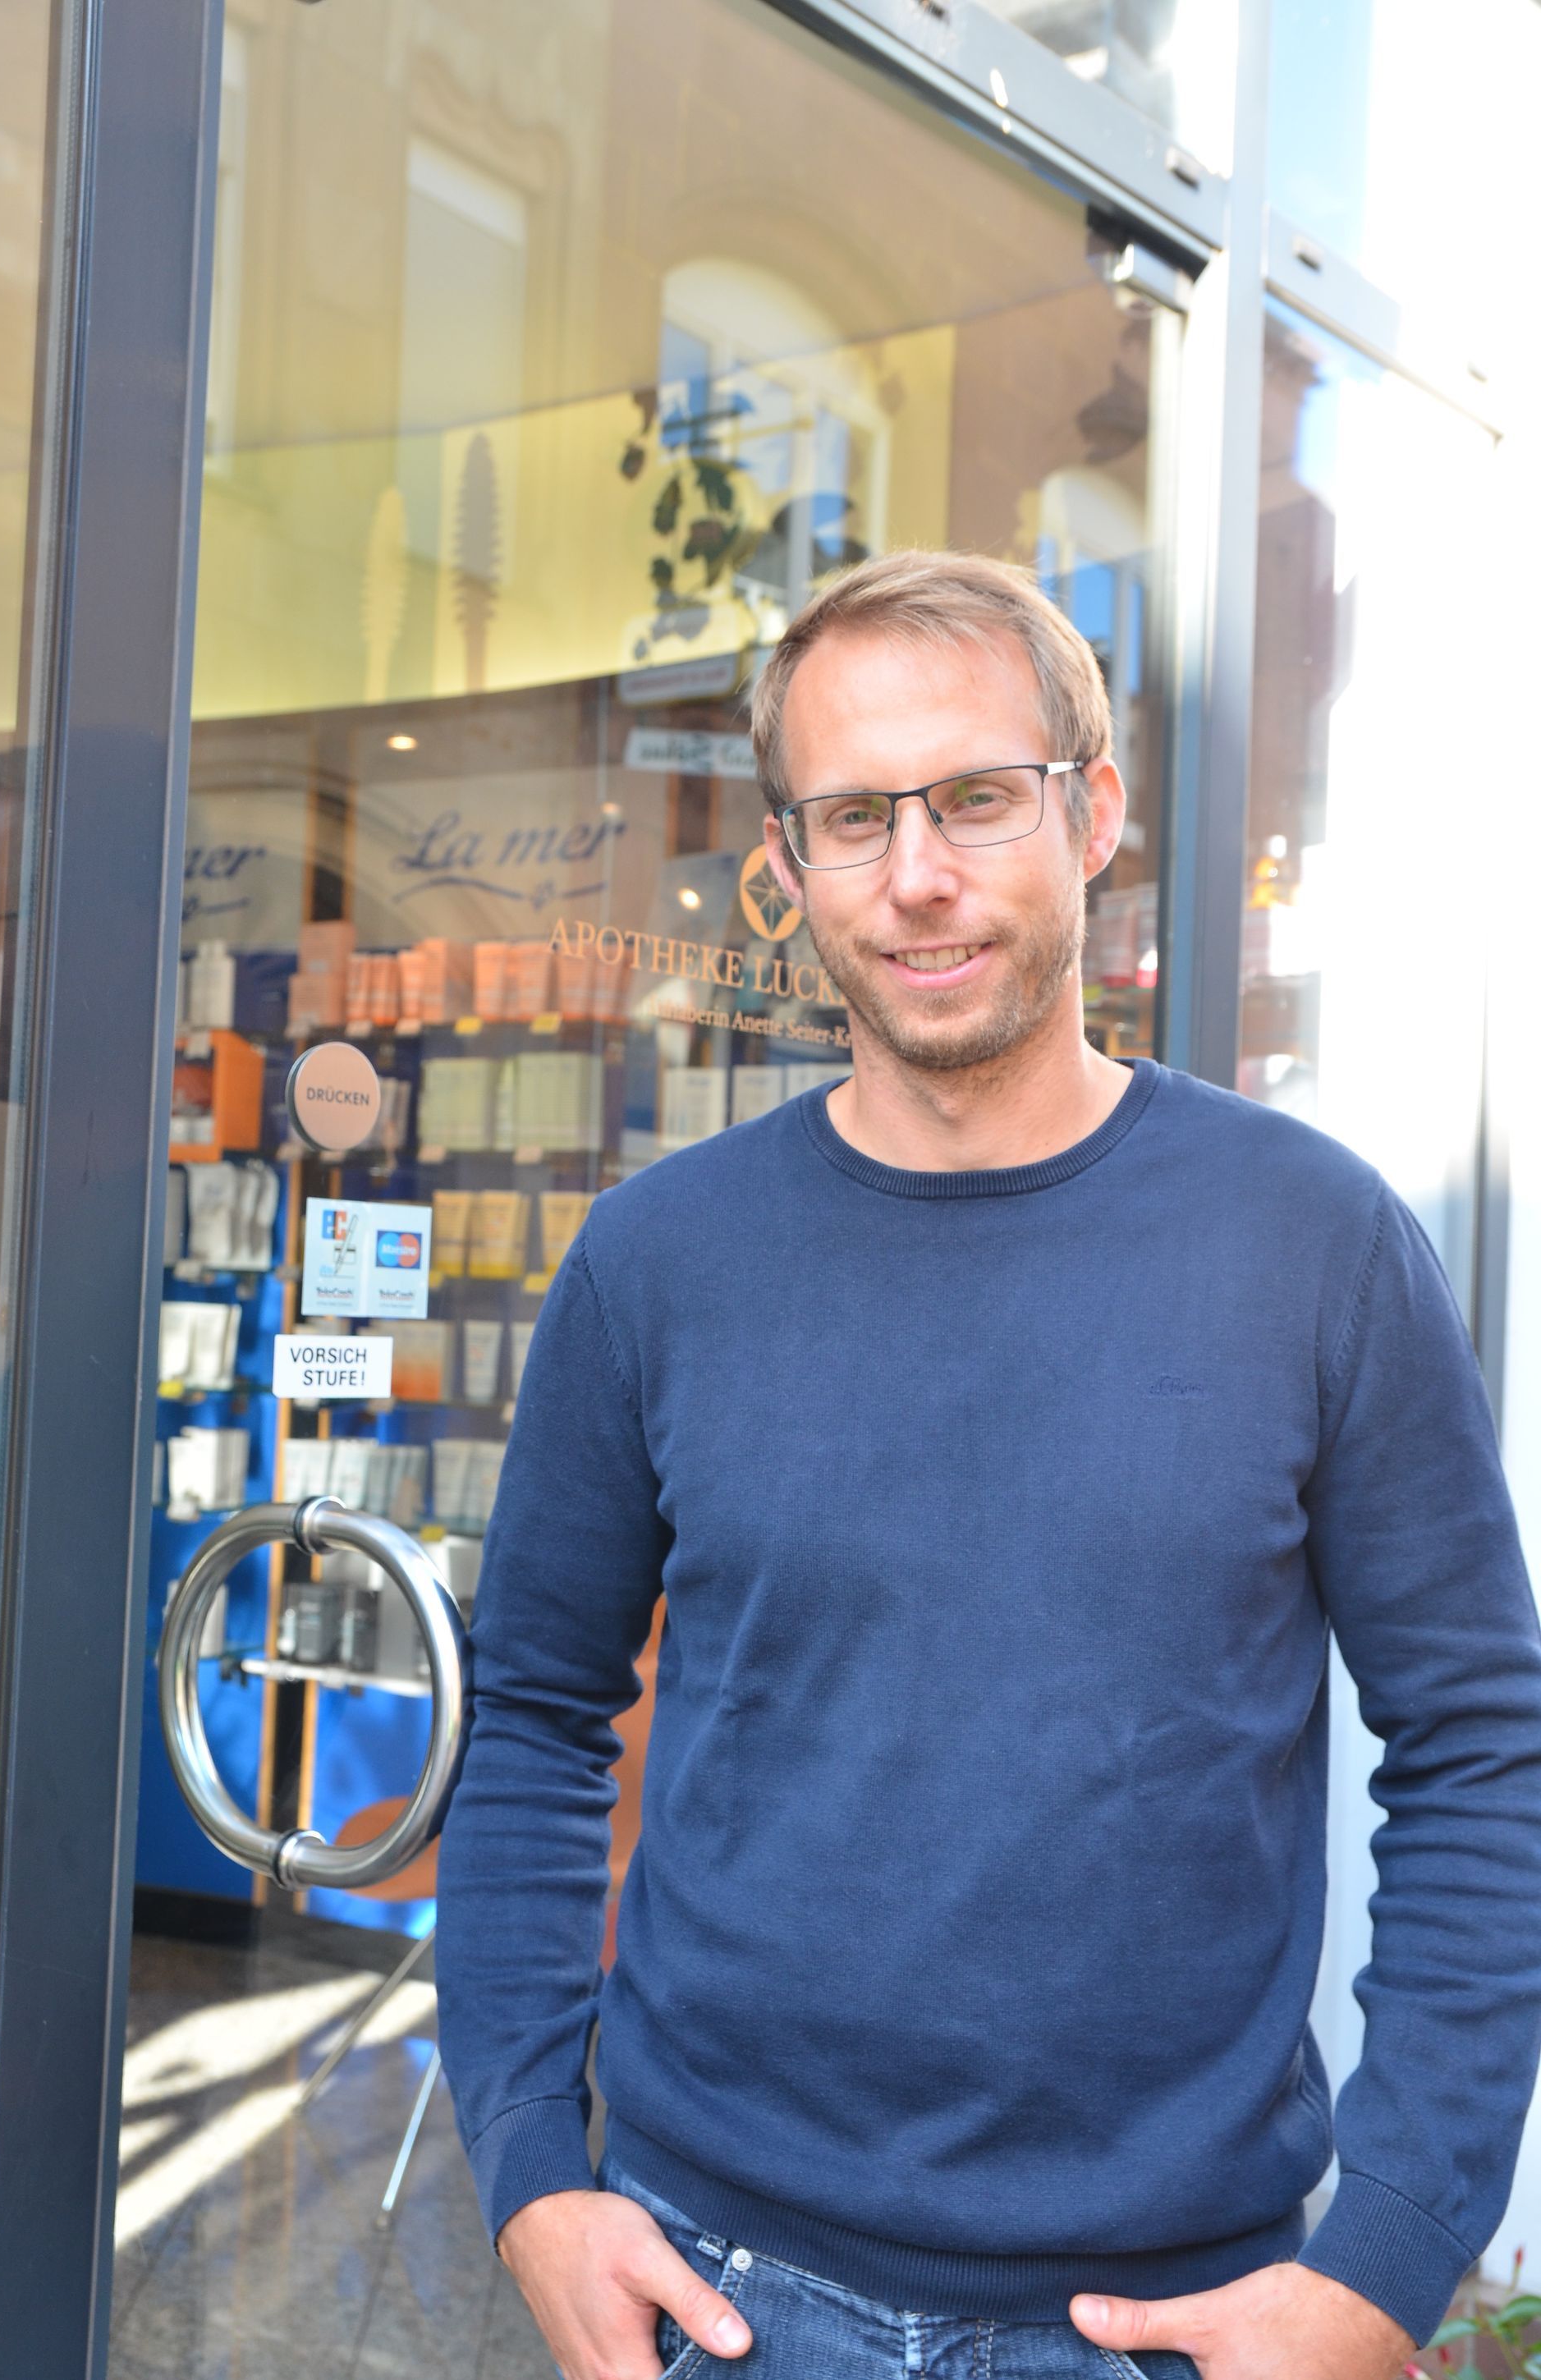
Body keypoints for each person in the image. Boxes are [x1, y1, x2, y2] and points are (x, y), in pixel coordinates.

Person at [435, 550, 1541, 2380]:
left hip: (1165, 2325)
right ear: (783, 874)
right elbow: (540, 1712)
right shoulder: (654, 1265)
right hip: (716, 2302)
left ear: (1093, 812)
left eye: (974, 797)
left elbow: (1484, 1743)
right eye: (854, 818)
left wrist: (1386, 2260)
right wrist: (534, 2176)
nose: (919, 873)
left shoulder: (1316, 1246)